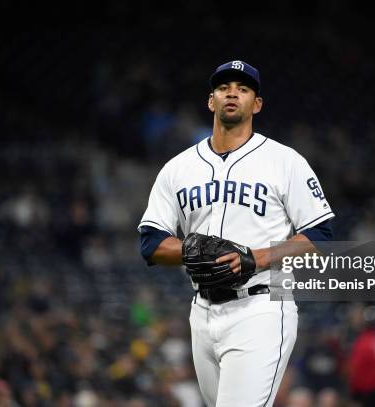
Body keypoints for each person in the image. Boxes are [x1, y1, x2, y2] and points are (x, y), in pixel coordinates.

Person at [138, 60, 334, 406]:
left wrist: (256, 258)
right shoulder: (178, 168)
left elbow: (320, 235)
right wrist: (192, 251)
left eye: (243, 89)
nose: (233, 92)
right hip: (202, 313)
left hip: (260, 307)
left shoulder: (285, 162)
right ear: (211, 100)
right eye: (224, 87)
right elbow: (151, 242)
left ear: (256, 104)